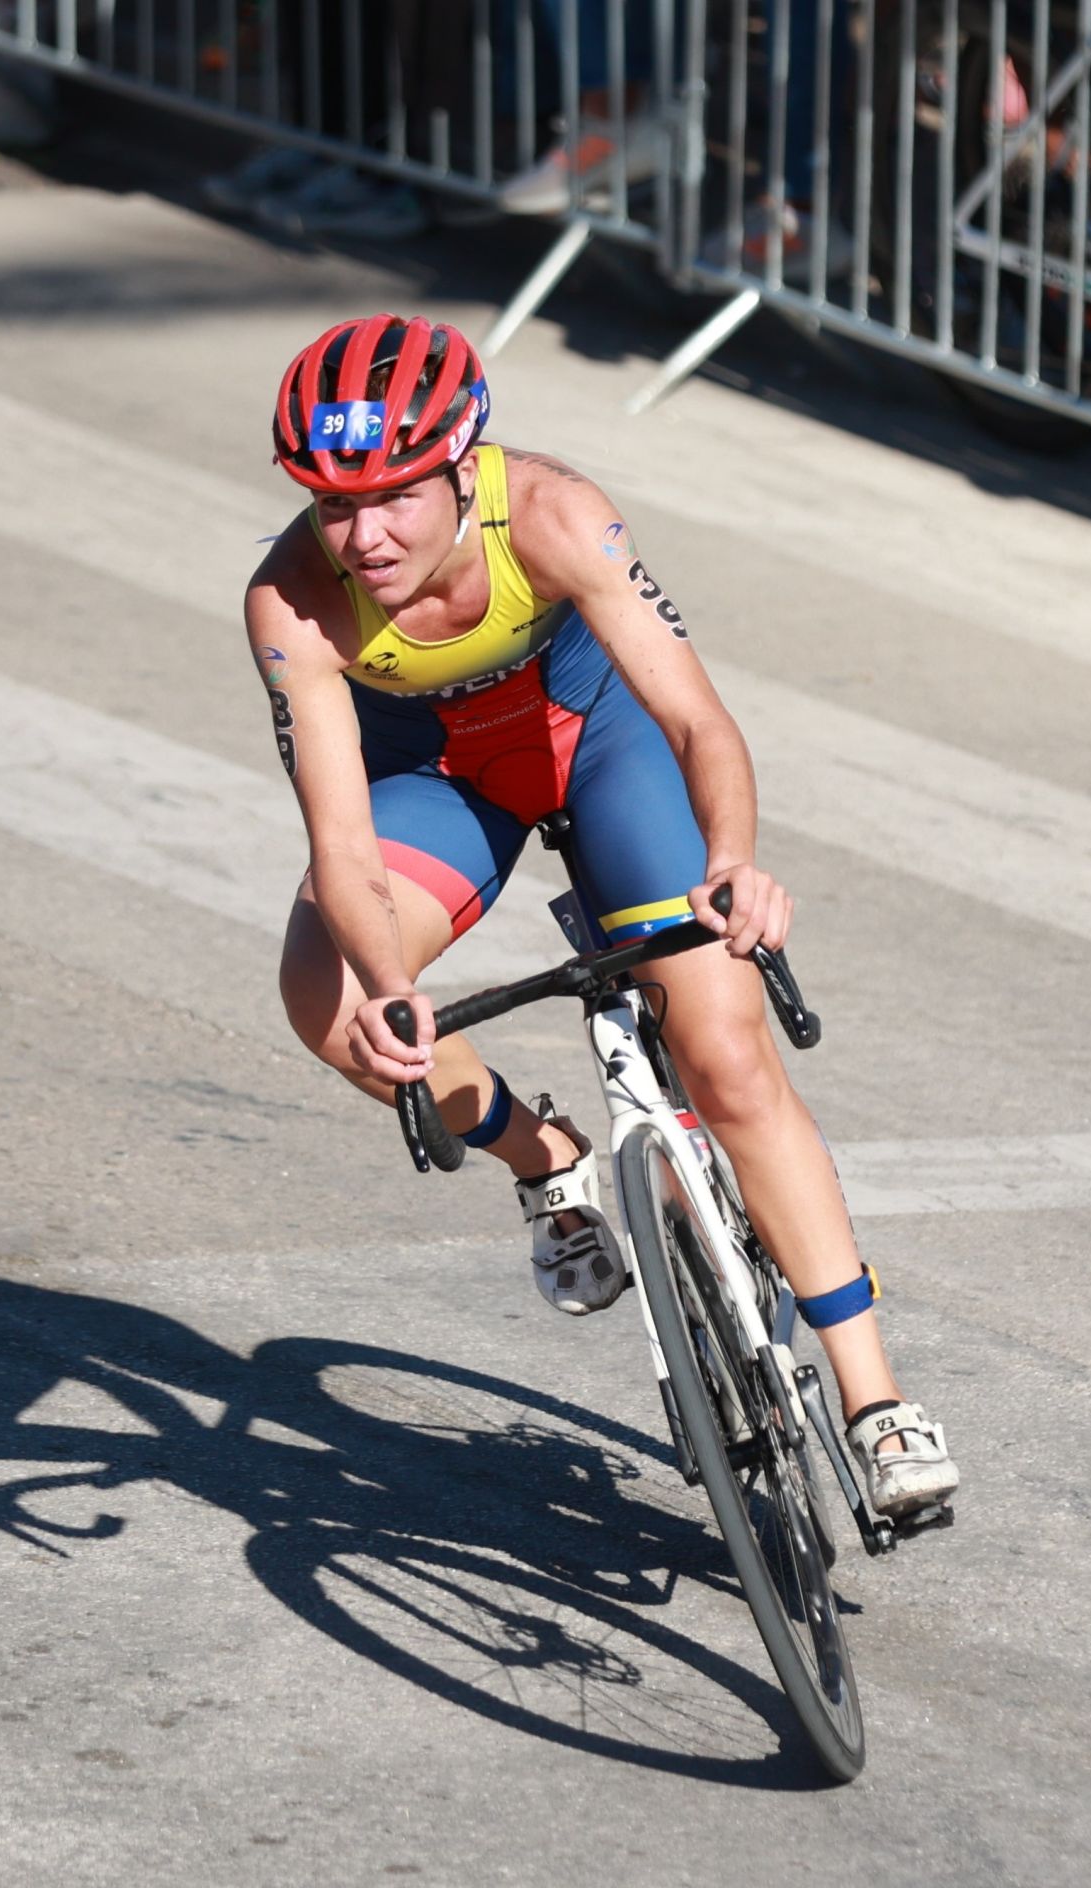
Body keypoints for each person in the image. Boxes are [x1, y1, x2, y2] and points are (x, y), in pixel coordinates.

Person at [244, 312, 958, 1518]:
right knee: (329, 996)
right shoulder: (290, 601)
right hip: (446, 784)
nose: (361, 536)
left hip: (605, 751)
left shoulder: (554, 513)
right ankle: (552, 1162)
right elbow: (343, 847)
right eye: (330, 503)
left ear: (461, 465)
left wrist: (733, 861)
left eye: (393, 499)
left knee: (725, 1056)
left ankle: (873, 1401)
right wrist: (394, 988)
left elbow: (693, 722)